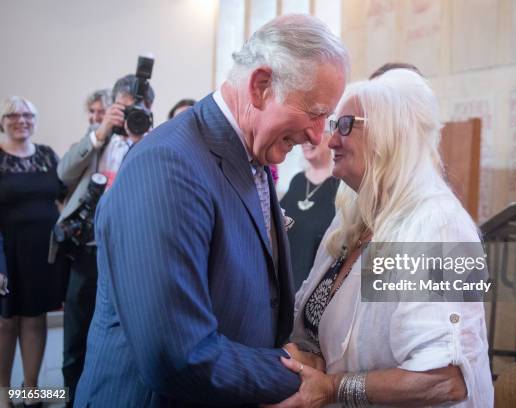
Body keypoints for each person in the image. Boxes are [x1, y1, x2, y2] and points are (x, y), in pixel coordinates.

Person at [74, 14, 348, 407]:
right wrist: (290, 371)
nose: (318, 136)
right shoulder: (169, 166)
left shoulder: (247, 155)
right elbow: (175, 355)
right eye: (316, 112)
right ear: (261, 86)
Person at [278, 69, 493, 407]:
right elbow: (325, 331)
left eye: (345, 125)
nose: (331, 139)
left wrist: (333, 387)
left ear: (389, 134)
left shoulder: (437, 226)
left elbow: (446, 379)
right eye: (334, 125)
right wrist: (307, 356)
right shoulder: (354, 217)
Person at [51, 77, 155, 406]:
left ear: (149, 109)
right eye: (122, 108)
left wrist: (140, 139)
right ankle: (69, 397)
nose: (128, 115)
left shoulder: (154, 144)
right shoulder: (98, 140)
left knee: (117, 335)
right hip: (87, 249)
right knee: (76, 333)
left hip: (128, 253)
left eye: (136, 109)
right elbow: (63, 174)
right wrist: (99, 135)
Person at [0, 96, 67, 408]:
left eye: (27, 115)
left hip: (41, 251)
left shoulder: (46, 155)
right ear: (3, 122)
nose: (21, 120)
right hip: (4, 250)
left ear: (35, 120)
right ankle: (3, 391)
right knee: (5, 321)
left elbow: (64, 194)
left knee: (35, 317)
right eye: (13, 115)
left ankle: (31, 388)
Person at [280, 131, 338, 291]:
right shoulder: (297, 181)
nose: (306, 141)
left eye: (315, 134)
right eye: (304, 136)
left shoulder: (340, 187)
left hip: (314, 289)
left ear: (331, 137)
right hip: (283, 285)